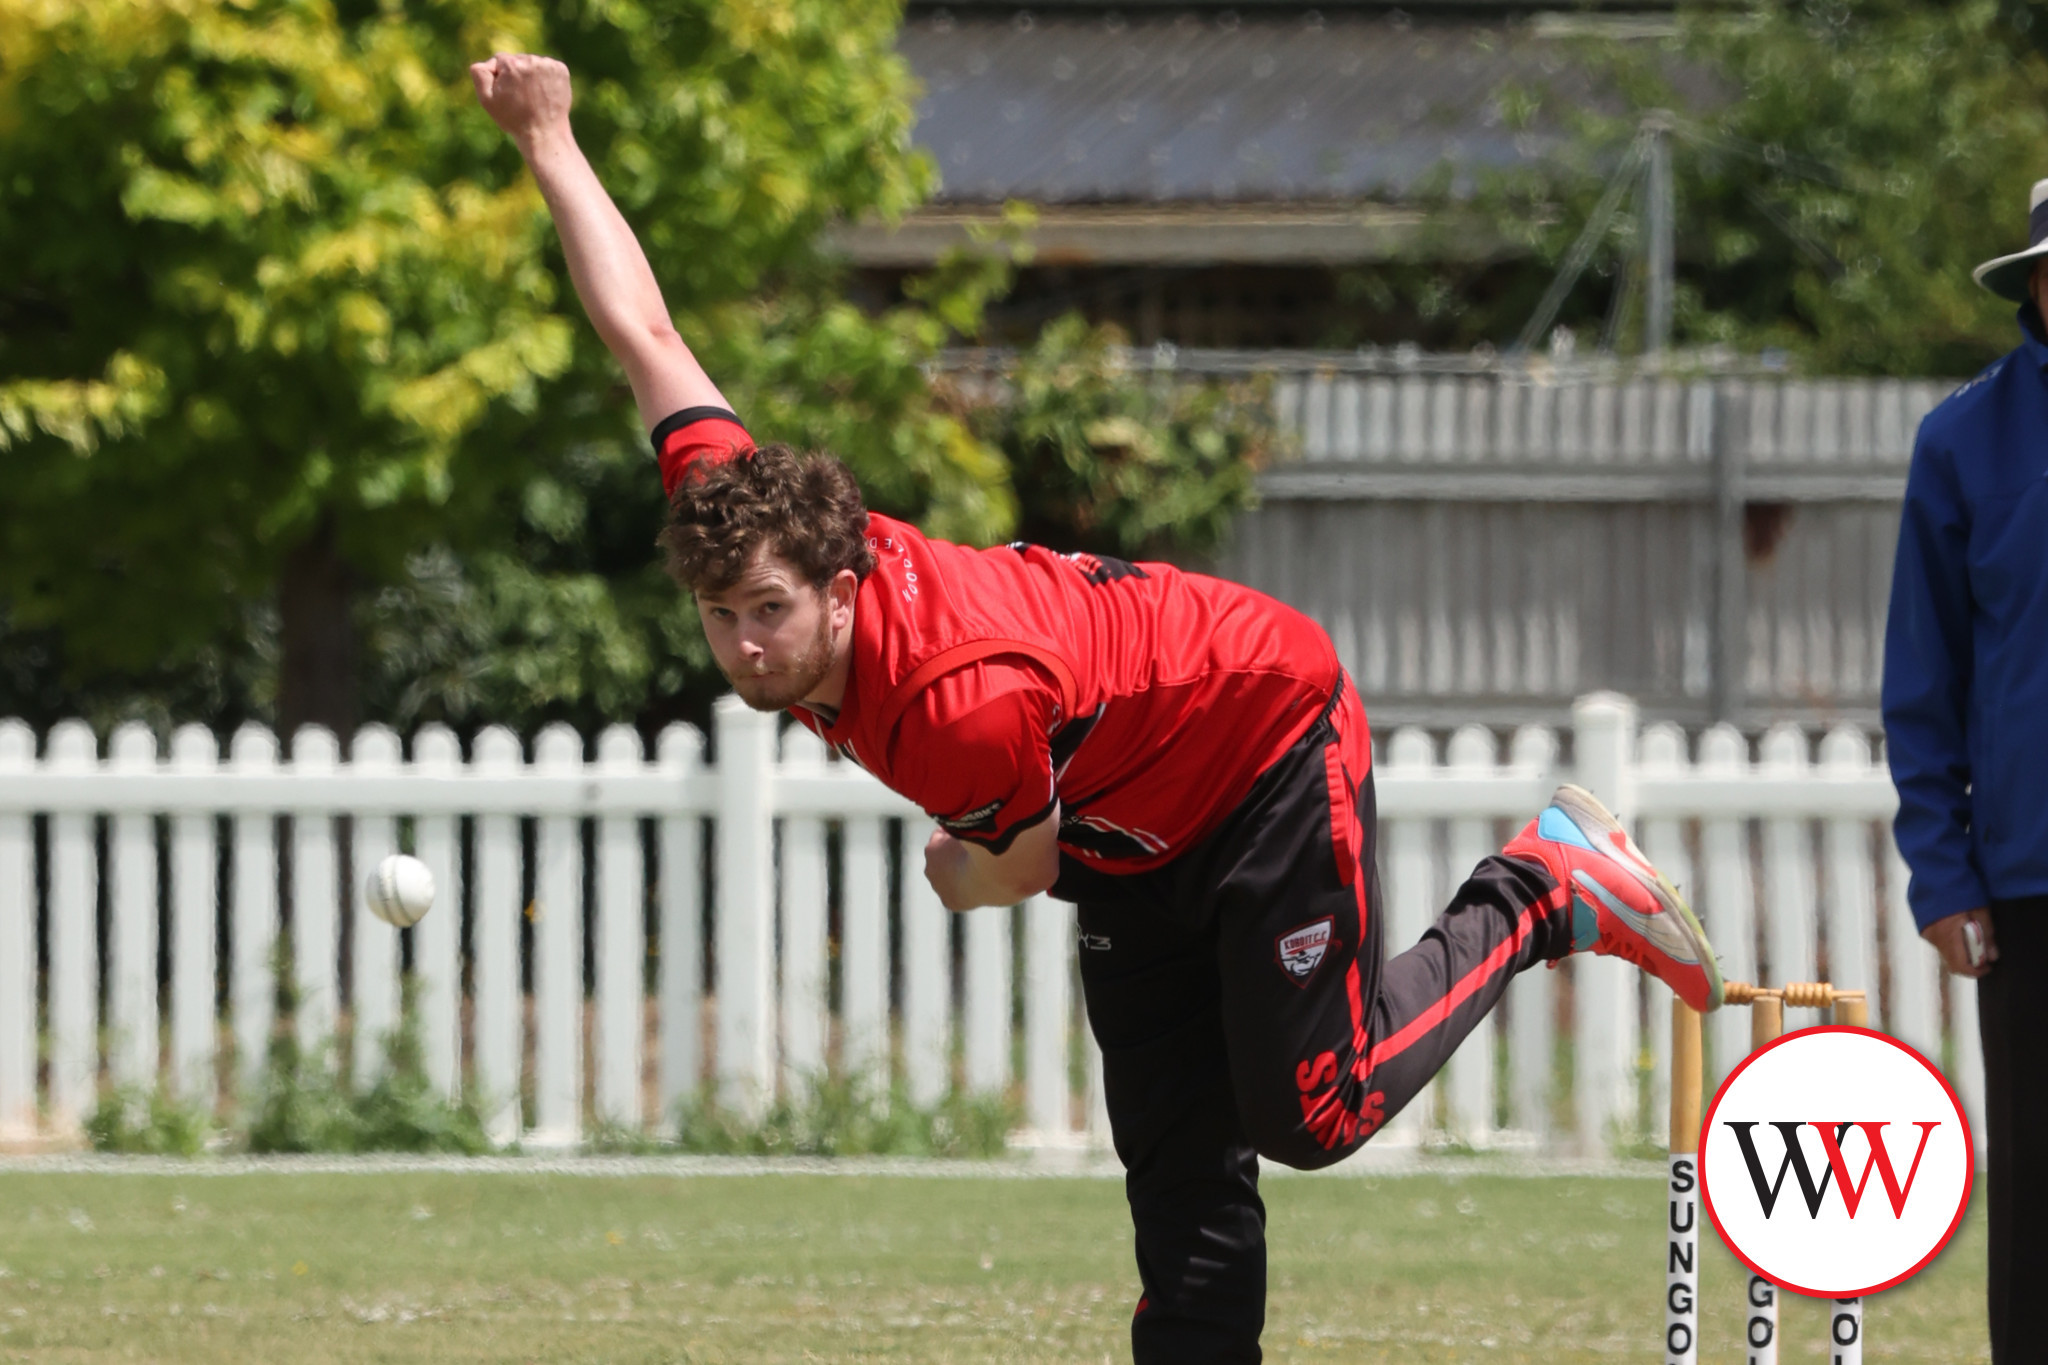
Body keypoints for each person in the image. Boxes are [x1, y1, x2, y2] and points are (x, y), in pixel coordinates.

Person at [471, 52, 1724, 1363]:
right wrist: (549, 137)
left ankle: (1541, 888)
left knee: (1314, 1112)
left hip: (1259, 741)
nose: (742, 642)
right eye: (720, 615)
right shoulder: (749, 518)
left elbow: (1016, 864)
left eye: (768, 612)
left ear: (841, 588)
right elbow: (647, 335)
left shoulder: (952, 703)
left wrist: (962, 877)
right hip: (1123, 809)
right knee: (1179, 1163)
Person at [1883, 176, 2048, 1365]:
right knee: (2036, 1183)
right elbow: (1921, 678)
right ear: (2036, 281)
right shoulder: (1962, 440)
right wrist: (1940, 875)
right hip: (2027, 880)